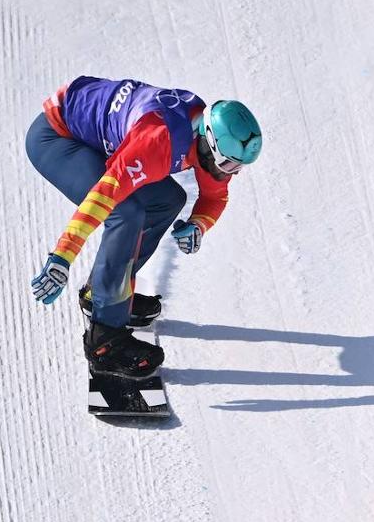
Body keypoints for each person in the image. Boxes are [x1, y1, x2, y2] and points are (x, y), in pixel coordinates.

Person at [27, 76, 262, 378]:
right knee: (126, 213)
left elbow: (215, 196)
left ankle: (106, 290)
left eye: (237, 167)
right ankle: (105, 342)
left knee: (168, 200)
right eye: (228, 165)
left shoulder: (201, 136)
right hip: (57, 138)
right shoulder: (158, 143)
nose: (231, 173)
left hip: (100, 137)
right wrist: (62, 257)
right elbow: (102, 199)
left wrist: (199, 224)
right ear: (208, 143)